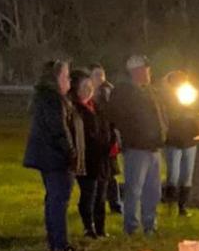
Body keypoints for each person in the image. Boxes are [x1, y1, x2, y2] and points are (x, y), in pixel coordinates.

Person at [23, 59, 81, 251]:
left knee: (54, 199)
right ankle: (60, 243)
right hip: (54, 157)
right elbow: (59, 130)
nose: (69, 81)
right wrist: (71, 153)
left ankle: (56, 241)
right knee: (58, 200)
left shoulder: (45, 98)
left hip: (47, 155)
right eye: (66, 76)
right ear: (56, 78)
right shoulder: (53, 100)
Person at [109, 54, 166, 236]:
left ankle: (150, 223)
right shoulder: (124, 92)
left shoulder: (151, 91)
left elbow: (161, 115)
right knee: (134, 189)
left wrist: (162, 132)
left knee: (153, 190)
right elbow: (117, 117)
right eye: (144, 69)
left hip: (153, 147)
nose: (148, 72)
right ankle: (131, 226)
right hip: (136, 148)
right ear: (135, 71)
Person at [69, 69, 112, 238]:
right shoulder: (76, 111)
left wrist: (110, 142)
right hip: (87, 159)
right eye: (84, 87)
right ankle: (89, 227)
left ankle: (100, 228)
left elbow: (106, 127)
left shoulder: (97, 107)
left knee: (101, 195)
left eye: (90, 86)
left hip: (102, 158)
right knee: (89, 194)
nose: (88, 90)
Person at [162, 69, 199, 216]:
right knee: (173, 174)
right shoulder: (167, 98)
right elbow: (167, 117)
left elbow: (196, 116)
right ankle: (170, 204)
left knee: (187, 175)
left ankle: (182, 207)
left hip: (189, 140)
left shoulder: (190, 94)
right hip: (173, 140)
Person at [90, 65, 121, 214]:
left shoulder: (108, 93)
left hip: (108, 140)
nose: (100, 79)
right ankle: (95, 204)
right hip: (95, 142)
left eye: (102, 75)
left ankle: (114, 204)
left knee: (111, 174)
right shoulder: (88, 97)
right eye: (96, 75)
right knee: (98, 175)